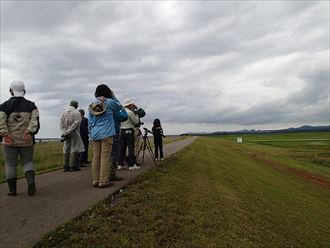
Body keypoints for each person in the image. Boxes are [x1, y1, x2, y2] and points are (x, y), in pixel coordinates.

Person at [0, 80, 40, 196]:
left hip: (10, 141)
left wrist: (5, 133)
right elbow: (35, 122)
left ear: (11, 91)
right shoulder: (32, 106)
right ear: (24, 91)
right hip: (26, 140)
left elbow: (1, 122)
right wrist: (29, 131)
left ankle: (12, 190)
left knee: (10, 164)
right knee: (28, 162)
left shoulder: (3, 106)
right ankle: (31, 181)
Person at [88, 84, 122, 188]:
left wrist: (90, 134)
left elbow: (90, 122)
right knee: (105, 157)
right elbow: (119, 106)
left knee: (96, 157)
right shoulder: (110, 102)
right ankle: (103, 181)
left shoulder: (92, 105)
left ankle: (95, 180)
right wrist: (113, 95)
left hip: (95, 133)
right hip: (107, 133)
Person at [60, 100, 84, 172]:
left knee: (66, 148)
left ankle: (65, 166)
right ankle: (72, 166)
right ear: (76, 105)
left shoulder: (64, 113)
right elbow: (76, 124)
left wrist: (65, 132)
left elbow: (61, 123)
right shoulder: (77, 113)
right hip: (74, 133)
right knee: (74, 148)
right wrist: (69, 131)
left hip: (66, 133)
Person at [118, 99, 140, 171]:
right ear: (130, 105)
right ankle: (131, 165)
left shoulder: (121, 112)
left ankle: (120, 164)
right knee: (131, 148)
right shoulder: (130, 112)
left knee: (122, 148)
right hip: (129, 130)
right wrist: (136, 115)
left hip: (122, 130)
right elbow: (136, 122)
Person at [109, 107, 128, 181]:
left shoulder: (96, 107)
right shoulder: (113, 110)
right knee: (114, 155)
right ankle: (111, 174)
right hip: (113, 133)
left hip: (98, 135)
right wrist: (122, 109)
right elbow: (124, 116)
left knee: (101, 156)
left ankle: (99, 177)